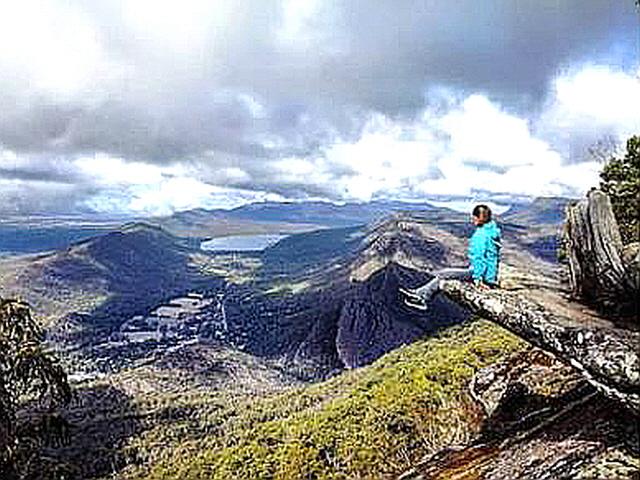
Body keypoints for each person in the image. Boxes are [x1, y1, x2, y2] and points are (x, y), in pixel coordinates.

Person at [399, 204, 501, 310]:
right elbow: (492, 258)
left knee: (444, 273)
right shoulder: (492, 231)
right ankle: (420, 294)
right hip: (487, 274)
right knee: (443, 274)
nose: (473, 219)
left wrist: (478, 279)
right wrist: (491, 279)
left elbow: (479, 258)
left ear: (480, 218)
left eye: (474, 217)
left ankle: (422, 297)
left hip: (478, 273)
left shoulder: (481, 235)